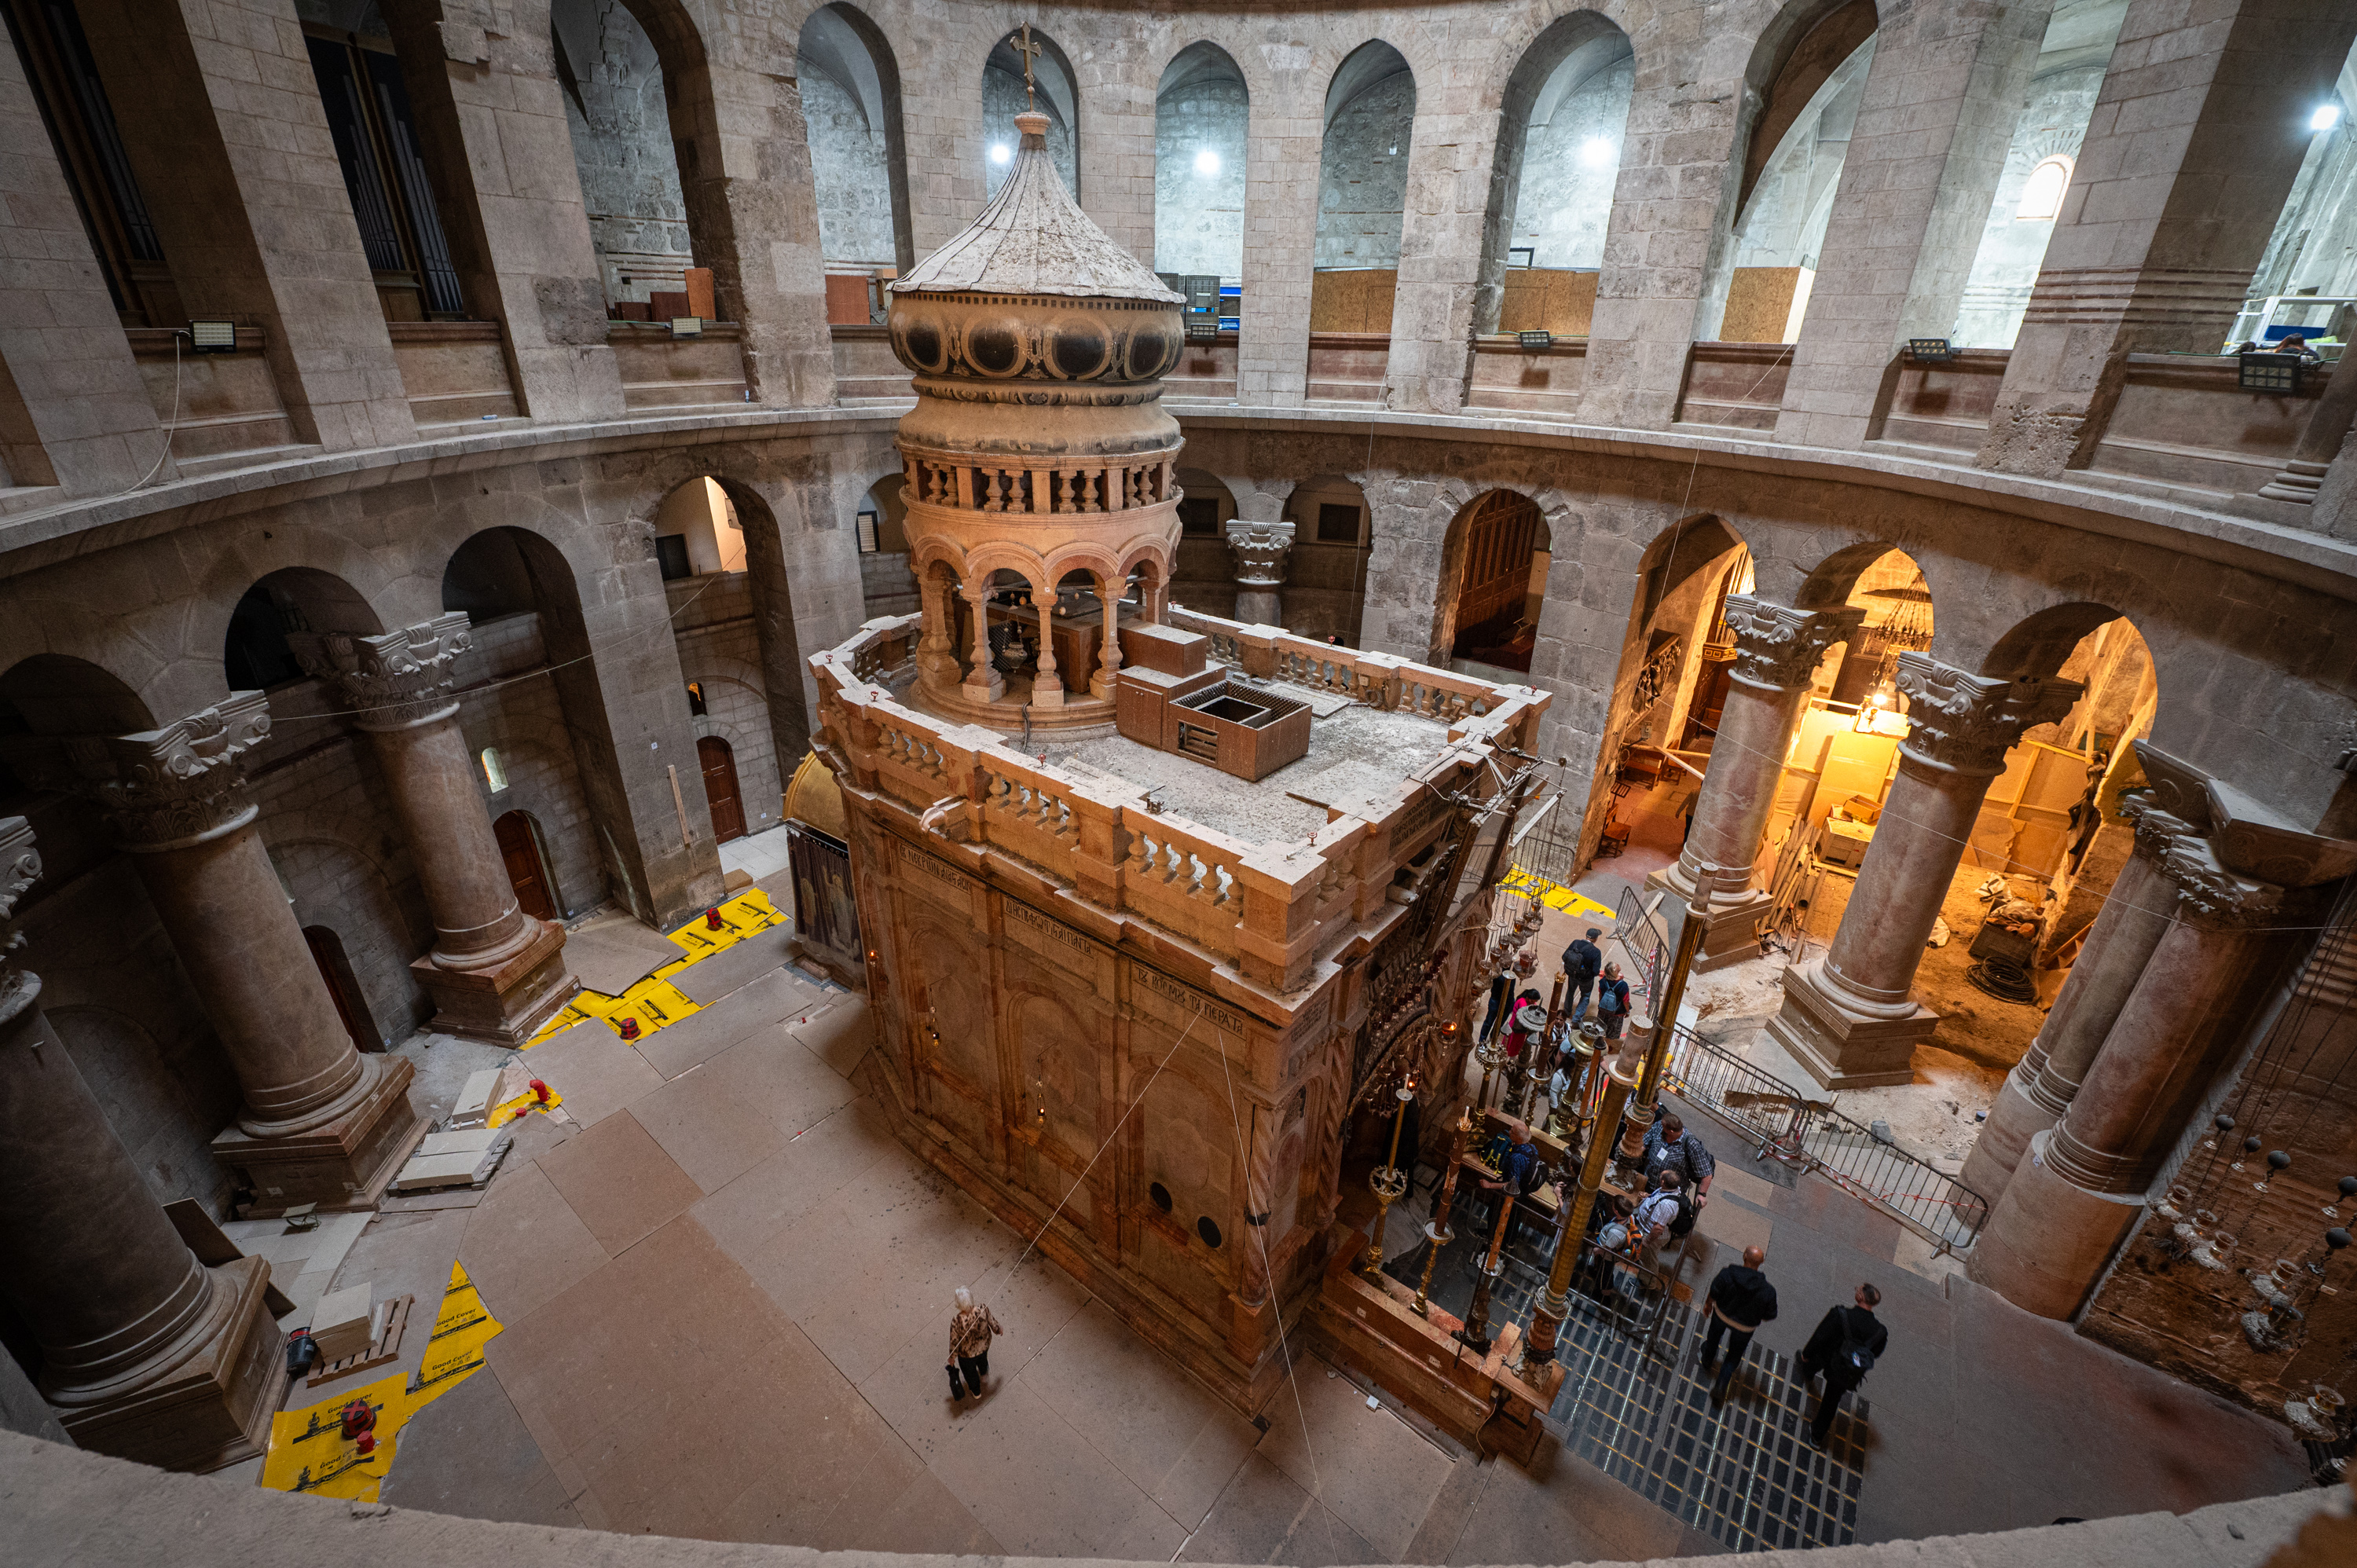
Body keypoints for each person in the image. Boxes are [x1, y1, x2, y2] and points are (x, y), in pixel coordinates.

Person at [1795, 1283, 1888, 1447]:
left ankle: (1807, 1371)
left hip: (1829, 1356)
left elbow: (1820, 1336)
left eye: (1857, 1290)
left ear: (1860, 1297)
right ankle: (1816, 1437)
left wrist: (1806, 1354)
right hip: (1847, 1371)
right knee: (1831, 1402)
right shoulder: (1880, 1331)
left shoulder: (1841, 1315)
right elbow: (1876, 1353)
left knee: (1818, 1359)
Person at [1698, 1245, 1778, 1404]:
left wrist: (1708, 1305)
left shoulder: (1727, 1274)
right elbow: (1770, 1315)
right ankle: (1721, 1386)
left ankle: (1707, 1359)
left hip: (1721, 1315)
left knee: (1713, 1338)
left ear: (1744, 1257)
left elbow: (1714, 1292)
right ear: (1761, 1262)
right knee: (1734, 1355)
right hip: (1745, 1327)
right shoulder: (1768, 1291)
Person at [1642, 1112, 1715, 1212]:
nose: (1661, 1129)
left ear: (1671, 1131)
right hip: (1648, 1182)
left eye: (1664, 1130)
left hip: (1666, 1195)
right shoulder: (1660, 1126)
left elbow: (1706, 1174)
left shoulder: (1691, 1144)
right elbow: (1644, 1142)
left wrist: (1702, 1194)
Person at [947, 1285, 1003, 1402]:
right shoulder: (983, 1309)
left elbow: (954, 1342)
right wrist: (998, 1330)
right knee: (983, 1360)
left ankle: (976, 1392)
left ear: (958, 1304)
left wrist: (952, 1357)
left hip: (966, 1355)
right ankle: (984, 1374)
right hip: (984, 1346)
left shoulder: (957, 1321)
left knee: (970, 1373)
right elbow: (992, 1323)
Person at [1563, 929, 1604, 1017]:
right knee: (1585, 996)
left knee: (1570, 991)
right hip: (1586, 979)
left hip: (1572, 974)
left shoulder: (1575, 943)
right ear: (1595, 939)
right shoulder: (1596, 952)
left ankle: (1566, 1012)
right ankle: (1577, 1018)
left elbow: (1564, 956)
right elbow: (1596, 971)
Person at [1595, 962, 1632, 1041]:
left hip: (1603, 1010)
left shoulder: (1603, 981)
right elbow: (1626, 1001)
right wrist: (1627, 1011)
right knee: (1611, 1032)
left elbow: (1600, 994)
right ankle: (1605, 1045)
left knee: (1600, 1027)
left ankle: (1598, 1042)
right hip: (1616, 1013)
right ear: (1615, 972)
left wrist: (1601, 1004)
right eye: (1616, 965)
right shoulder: (1623, 985)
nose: (1618, 964)